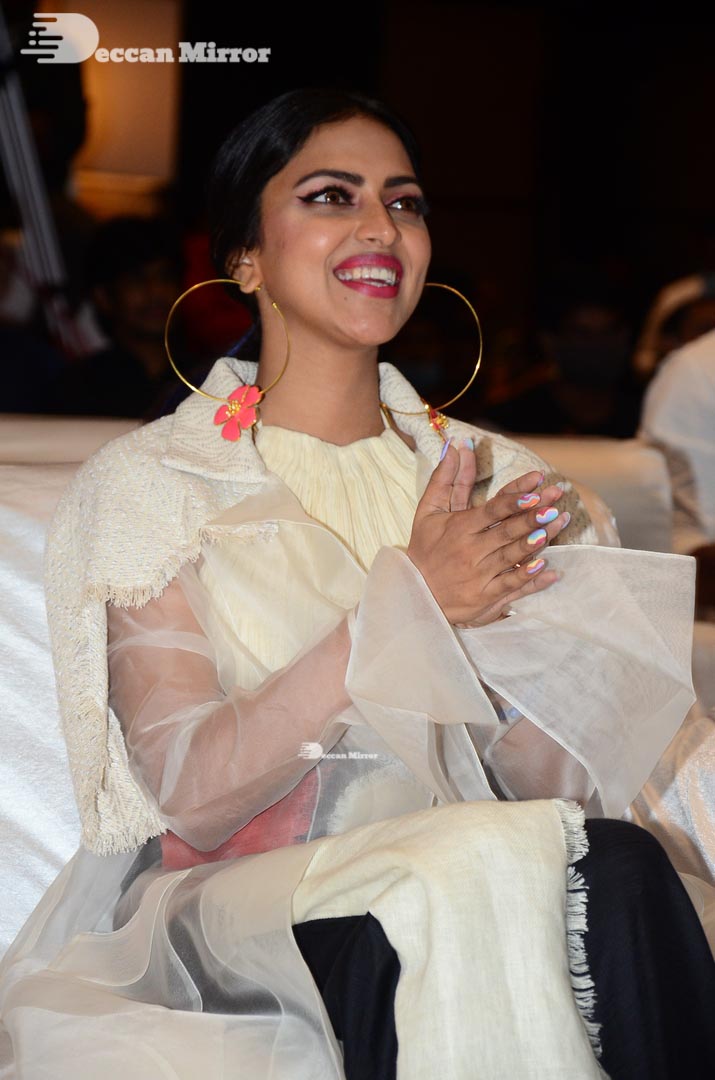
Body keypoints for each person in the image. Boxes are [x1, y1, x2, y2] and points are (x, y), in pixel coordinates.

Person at [1, 88, 714, 1080]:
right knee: (462, 879)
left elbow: (568, 794)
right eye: (331, 196)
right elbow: (193, 797)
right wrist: (407, 608)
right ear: (244, 255)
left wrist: (496, 634)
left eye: (404, 201)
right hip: (249, 909)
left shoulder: (497, 483)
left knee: (613, 869)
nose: (381, 226)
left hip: (476, 866)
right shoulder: (155, 487)